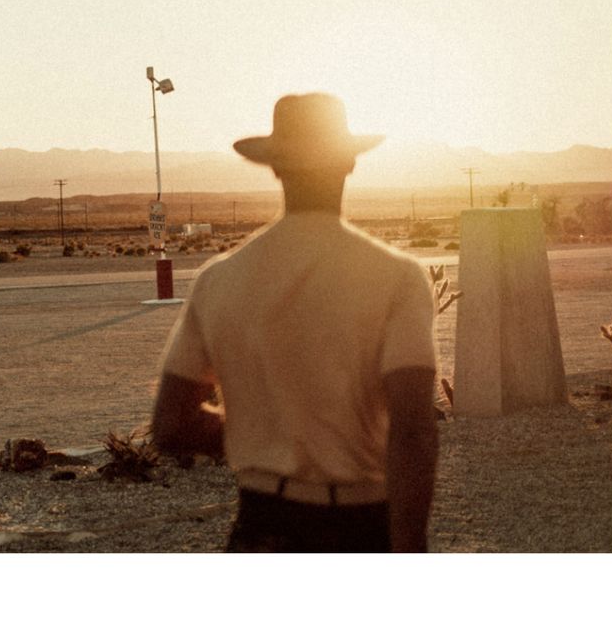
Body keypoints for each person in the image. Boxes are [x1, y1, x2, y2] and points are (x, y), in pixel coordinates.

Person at [150, 92, 440, 552]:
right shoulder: (396, 277)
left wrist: (257, 434)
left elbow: (170, 425)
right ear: (349, 164)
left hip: (261, 527)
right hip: (361, 526)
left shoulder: (219, 280)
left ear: (274, 168)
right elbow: (413, 427)